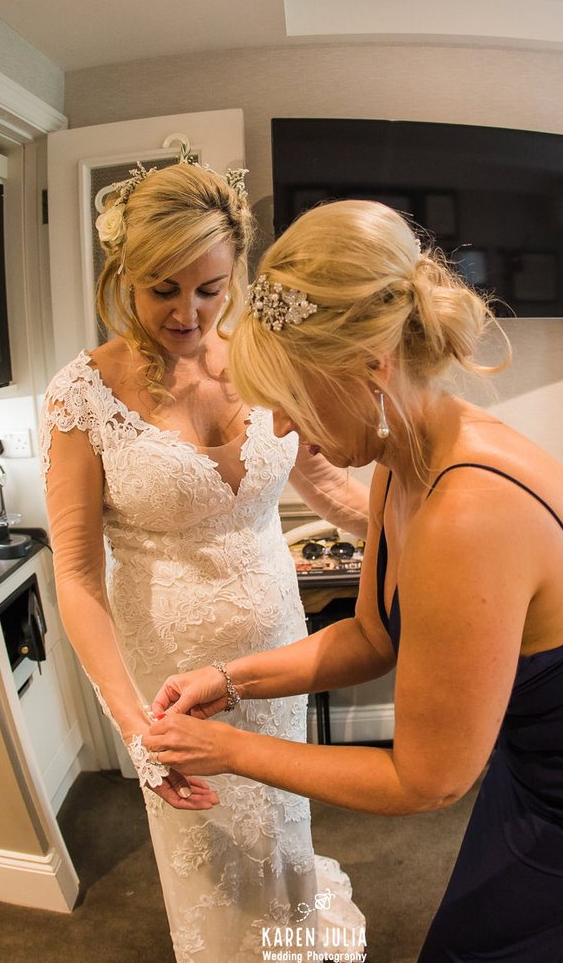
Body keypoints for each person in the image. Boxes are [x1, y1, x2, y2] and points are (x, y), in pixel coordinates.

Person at [143, 200, 563, 961]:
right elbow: (373, 635)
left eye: (293, 399)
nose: (281, 429)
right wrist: (229, 680)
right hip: (540, 739)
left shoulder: (467, 512)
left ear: (369, 364)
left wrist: (227, 750)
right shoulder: (402, 459)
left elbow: (425, 781)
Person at [39, 160, 367, 962]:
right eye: (162, 288)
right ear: (124, 276)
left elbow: (325, 482)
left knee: (283, 817)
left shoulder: (259, 363)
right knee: (211, 847)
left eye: (210, 289)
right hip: (170, 669)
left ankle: (293, 940)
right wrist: (134, 729)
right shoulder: (82, 395)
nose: (187, 312)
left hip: (277, 645)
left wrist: (437, 535)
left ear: (235, 279)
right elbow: (76, 575)